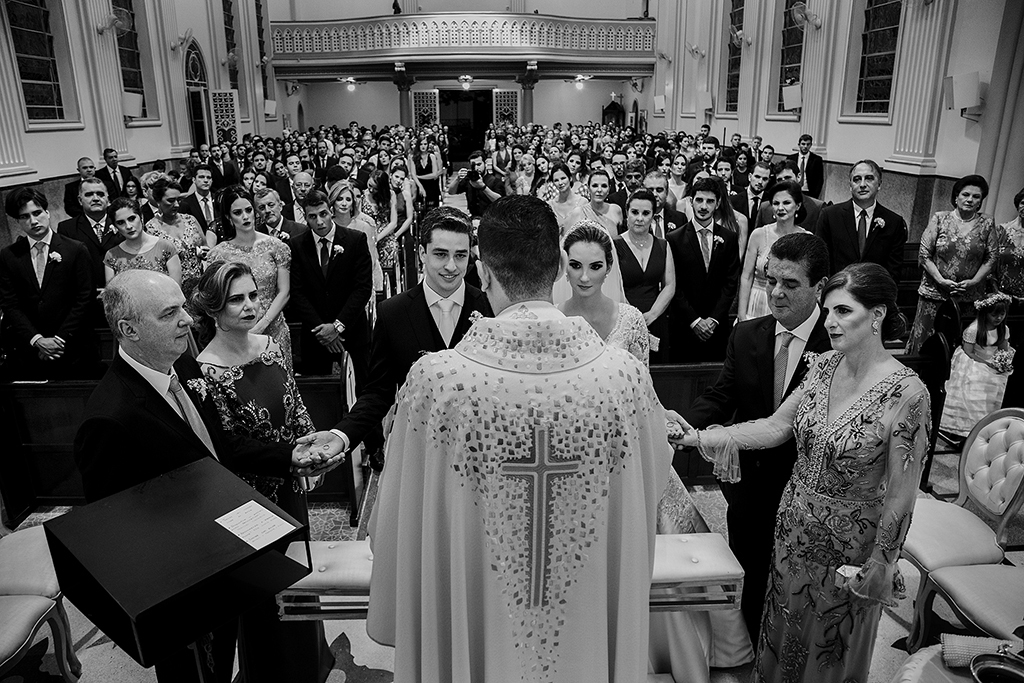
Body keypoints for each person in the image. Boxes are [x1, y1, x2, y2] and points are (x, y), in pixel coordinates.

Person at [356, 195, 672, 682]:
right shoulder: (623, 377)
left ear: (483, 272)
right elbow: (649, 486)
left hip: (476, 605)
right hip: (586, 605)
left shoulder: (438, 383)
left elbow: (400, 514)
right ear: (557, 270)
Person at [73, 269, 337, 683]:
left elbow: (224, 448)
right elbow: (117, 532)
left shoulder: (184, 366)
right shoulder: (110, 418)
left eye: (183, 306)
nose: (188, 319)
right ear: (129, 329)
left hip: (224, 554)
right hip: (183, 585)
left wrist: (292, 456)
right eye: (169, 313)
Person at [676, 262, 930, 683]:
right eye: (828, 311)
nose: (829, 322)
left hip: (849, 546)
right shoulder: (824, 366)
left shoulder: (908, 393)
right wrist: (698, 437)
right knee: (780, 631)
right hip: (792, 530)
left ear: (878, 316)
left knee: (828, 650)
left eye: (843, 312)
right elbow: (777, 427)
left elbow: (902, 494)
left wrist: (883, 563)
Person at [191, 261, 333, 683]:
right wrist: (294, 458)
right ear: (213, 310)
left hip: (292, 488)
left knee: (299, 581)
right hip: (251, 502)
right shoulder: (205, 371)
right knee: (266, 596)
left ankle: (311, 663)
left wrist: (314, 447)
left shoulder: (270, 347)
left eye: (253, 295)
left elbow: (295, 403)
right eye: (237, 299)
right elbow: (232, 448)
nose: (250, 305)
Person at [687, 232, 832, 643]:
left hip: (809, 485)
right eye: (771, 280)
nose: (777, 293)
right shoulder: (747, 333)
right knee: (748, 567)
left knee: (798, 581)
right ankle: (750, 644)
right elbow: (722, 394)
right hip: (749, 481)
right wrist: (685, 423)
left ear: (819, 285)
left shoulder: (836, 341)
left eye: (791, 284)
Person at [298, 207, 493, 476]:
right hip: (421, 450)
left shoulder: (489, 308)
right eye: (440, 254)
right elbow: (378, 392)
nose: (451, 266)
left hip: (480, 450)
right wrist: (341, 435)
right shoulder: (394, 313)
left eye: (460, 255)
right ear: (422, 253)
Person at [0, 187, 97, 380]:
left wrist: (59, 339)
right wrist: (37, 340)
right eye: (24, 217)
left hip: (73, 347)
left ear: (47, 212)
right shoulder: (9, 256)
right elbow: (10, 304)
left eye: (37, 213)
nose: (33, 221)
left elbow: (84, 298)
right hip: (30, 350)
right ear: (18, 221)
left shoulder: (75, 249)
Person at [287, 189, 372, 381]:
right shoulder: (297, 245)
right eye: (312, 216)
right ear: (305, 217)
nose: (319, 222)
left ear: (331, 210)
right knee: (321, 400)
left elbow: (362, 288)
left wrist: (337, 326)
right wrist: (321, 330)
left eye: (323, 214)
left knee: (362, 392)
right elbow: (297, 293)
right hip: (315, 337)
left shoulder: (355, 240)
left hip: (352, 332)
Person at [907, 174, 998, 354]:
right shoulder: (940, 219)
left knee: (957, 343)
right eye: (965, 195)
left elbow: (992, 257)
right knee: (926, 340)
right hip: (935, 293)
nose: (970, 200)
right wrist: (941, 280)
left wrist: (973, 282)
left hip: (968, 296)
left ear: (980, 201)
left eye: (976, 197)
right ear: (956, 197)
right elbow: (924, 254)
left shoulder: (987, 223)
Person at [207, 187, 293, 368]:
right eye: (238, 212)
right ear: (229, 218)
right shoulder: (219, 253)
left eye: (248, 210)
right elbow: (216, 298)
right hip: (237, 332)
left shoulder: (276, 246)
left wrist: (263, 324)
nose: (245, 216)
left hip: (274, 328)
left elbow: (284, 291)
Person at [667, 176, 740, 362]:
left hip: (717, 327)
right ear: (691, 201)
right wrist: (695, 321)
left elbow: (731, 282)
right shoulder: (674, 239)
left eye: (710, 201)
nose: (703, 206)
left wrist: (714, 320)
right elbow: (673, 285)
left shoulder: (729, 238)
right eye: (699, 200)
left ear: (718, 204)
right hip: (685, 325)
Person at [816, 160, 907, 283]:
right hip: (837, 290)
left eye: (869, 178)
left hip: (874, 294)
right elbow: (821, 260)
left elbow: (893, 270)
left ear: (879, 184)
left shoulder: (894, 222)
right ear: (850, 185)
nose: (862, 184)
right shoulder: (830, 216)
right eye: (857, 179)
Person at [939, 292, 1014, 440]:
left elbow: (1004, 349)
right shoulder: (974, 329)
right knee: (979, 381)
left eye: (1002, 314)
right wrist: (987, 364)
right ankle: (969, 427)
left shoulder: (1003, 329)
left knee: (1006, 381)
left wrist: (1003, 362)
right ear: (985, 314)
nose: (999, 318)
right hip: (975, 359)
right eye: (994, 315)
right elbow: (969, 352)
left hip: (994, 359)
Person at [615, 189, 676, 363]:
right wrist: (634, 318)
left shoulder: (663, 245)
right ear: (627, 213)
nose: (639, 218)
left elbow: (669, 285)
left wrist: (652, 315)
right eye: (634, 212)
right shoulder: (614, 245)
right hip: (624, 319)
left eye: (645, 213)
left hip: (656, 318)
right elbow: (613, 286)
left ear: (654, 215)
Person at [738, 181, 810, 321]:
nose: (780, 208)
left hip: (790, 306)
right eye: (776, 203)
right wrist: (742, 314)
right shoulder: (758, 235)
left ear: (798, 205)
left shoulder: (807, 239)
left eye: (786, 203)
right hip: (756, 304)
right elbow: (746, 276)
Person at [57, 177, 123, 328]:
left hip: (122, 298)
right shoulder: (66, 228)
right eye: (89, 195)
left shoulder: (123, 223)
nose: (95, 198)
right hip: (86, 303)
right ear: (80, 200)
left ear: (108, 198)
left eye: (100, 194)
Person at [146, 176, 209, 299]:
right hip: (172, 290)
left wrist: (204, 253)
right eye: (170, 200)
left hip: (200, 286)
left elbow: (206, 246)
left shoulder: (190, 220)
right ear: (158, 201)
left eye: (178, 200)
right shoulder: (151, 228)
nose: (176, 204)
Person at [103, 197, 181, 284]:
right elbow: (111, 295)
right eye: (121, 222)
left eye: (131, 219)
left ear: (141, 217)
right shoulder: (112, 255)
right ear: (116, 226)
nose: (128, 226)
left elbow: (176, 291)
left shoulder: (165, 247)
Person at [995, 188, 1024, 407]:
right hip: (1002, 298)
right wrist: (997, 291)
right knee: (998, 344)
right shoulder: (1002, 230)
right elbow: (991, 262)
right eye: (1023, 202)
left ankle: (1013, 399)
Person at [362, 169, 399, 296]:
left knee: (390, 249)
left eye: (375, 188)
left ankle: (391, 291)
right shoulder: (362, 197)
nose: (371, 190)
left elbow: (393, 222)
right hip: (367, 234)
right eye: (369, 186)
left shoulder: (391, 195)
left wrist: (377, 238)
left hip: (385, 233)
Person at [447, 149, 504, 218]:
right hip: (474, 217)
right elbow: (451, 192)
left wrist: (483, 187)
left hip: (491, 218)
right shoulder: (468, 180)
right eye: (473, 165)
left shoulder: (495, 180)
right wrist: (457, 178)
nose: (476, 168)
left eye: (479, 164)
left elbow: (499, 200)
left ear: (485, 163)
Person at [546, 162, 588, 233]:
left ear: (570, 178)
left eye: (563, 178)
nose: (560, 183)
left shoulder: (583, 202)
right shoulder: (550, 206)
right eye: (556, 180)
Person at [785, 133, 824, 198]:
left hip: (809, 192)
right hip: (793, 189)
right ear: (799, 145)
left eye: (808, 144)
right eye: (803, 144)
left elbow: (819, 179)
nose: (805, 146)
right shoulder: (791, 158)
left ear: (811, 145)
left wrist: (815, 194)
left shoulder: (816, 159)